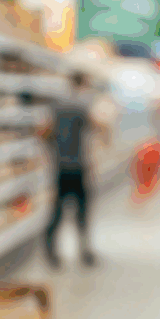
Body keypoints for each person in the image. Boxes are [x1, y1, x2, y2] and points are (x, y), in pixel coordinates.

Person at [44, 71, 108, 270]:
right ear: (84, 83)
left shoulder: (56, 106)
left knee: (57, 211)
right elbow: (100, 128)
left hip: (60, 165)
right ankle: (84, 251)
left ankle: (51, 252)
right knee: (82, 211)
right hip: (79, 164)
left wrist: (53, 146)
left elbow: (44, 131)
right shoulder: (82, 106)